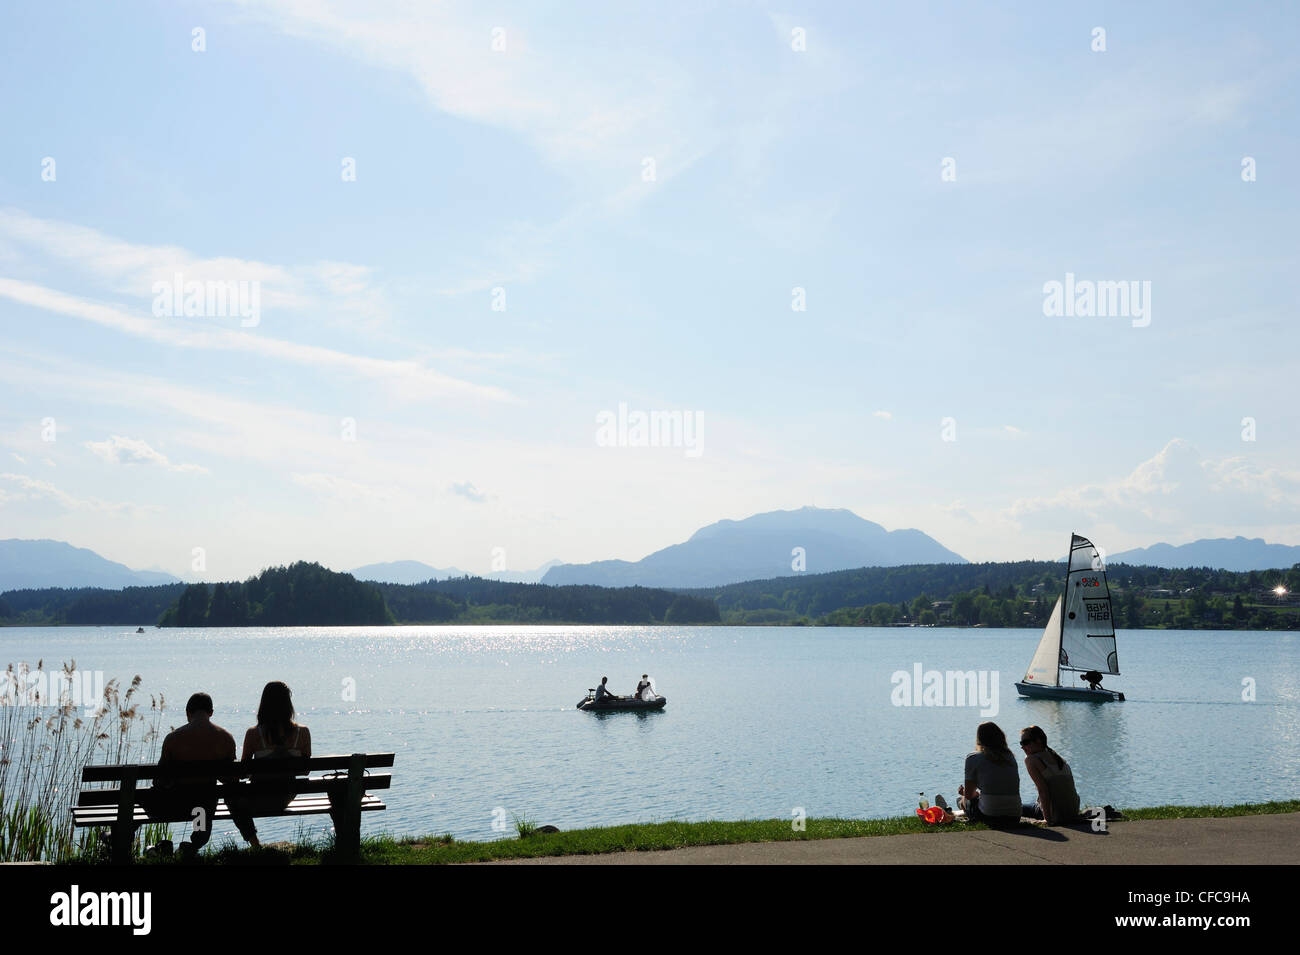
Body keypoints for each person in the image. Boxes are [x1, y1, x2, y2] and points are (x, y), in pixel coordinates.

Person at [139, 692, 237, 857]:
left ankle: (131, 843)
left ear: (187, 712)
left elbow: (160, 781)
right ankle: (191, 846)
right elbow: (230, 779)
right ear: (211, 712)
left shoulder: (173, 738)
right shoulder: (226, 738)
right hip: (202, 810)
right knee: (201, 810)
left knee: (140, 798)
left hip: (174, 805)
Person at [228, 681, 313, 848]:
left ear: (264, 704)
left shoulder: (253, 734)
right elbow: (306, 771)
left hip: (259, 797)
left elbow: (244, 772)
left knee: (230, 795)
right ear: (288, 704)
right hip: (286, 796)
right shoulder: (302, 733)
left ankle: (255, 844)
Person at [956, 722, 1022, 828]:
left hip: (989, 816)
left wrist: (963, 793)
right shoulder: (1010, 757)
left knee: (965, 799)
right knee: (976, 798)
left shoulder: (972, 758)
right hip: (1015, 816)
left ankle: (961, 807)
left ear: (979, 739)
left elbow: (969, 795)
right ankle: (963, 807)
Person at [1019, 726, 1081, 826]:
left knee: (1017, 808)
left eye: (1025, 742)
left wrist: (1047, 819)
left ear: (1038, 741)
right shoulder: (1059, 759)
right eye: (1021, 743)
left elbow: (1043, 790)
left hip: (1056, 814)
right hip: (1073, 812)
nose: (1022, 747)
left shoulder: (1031, 760)